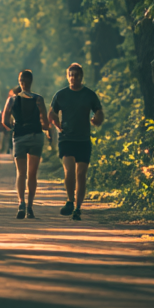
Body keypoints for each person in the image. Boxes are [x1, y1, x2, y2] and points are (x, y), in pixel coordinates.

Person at [48, 63, 104, 221]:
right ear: (68, 77)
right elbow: (51, 113)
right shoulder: (61, 95)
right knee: (69, 170)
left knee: (81, 174)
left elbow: (99, 111)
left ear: (81, 77)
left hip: (83, 139)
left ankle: (78, 208)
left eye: (76, 75)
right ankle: (70, 201)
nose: (73, 78)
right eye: (71, 75)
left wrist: (97, 119)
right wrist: (57, 125)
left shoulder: (89, 95)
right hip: (66, 139)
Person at [3, 70, 49, 218]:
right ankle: (30, 206)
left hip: (19, 137)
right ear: (31, 81)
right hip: (36, 137)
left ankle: (21, 203)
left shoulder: (12, 100)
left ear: (20, 81)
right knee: (32, 174)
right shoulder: (38, 99)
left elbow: (5, 121)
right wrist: (44, 127)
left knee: (21, 173)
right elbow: (45, 123)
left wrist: (13, 126)